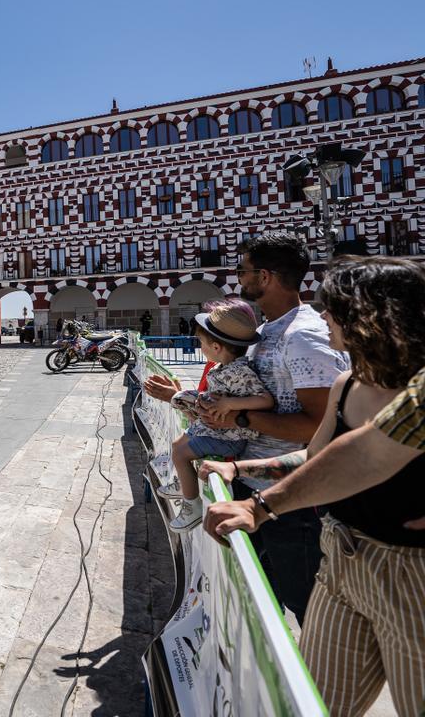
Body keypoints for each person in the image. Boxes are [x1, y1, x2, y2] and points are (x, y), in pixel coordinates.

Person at [203, 256, 425, 716]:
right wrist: (243, 470)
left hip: (411, 575)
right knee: (311, 703)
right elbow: (316, 460)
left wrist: (261, 506)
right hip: (342, 559)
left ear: (370, 317)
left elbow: (366, 454)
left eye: (333, 307)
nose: (323, 315)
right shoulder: (347, 384)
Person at [147, 231, 347, 624]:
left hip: (295, 501)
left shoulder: (303, 336)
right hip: (254, 489)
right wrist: (183, 399)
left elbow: (317, 427)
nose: (239, 278)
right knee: (263, 599)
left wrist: (237, 416)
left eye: (243, 270)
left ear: (266, 277)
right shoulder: (264, 334)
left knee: (308, 607)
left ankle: (318, 683)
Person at [155, 300, 274, 532]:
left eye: (202, 342)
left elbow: (265, 400)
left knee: (180, 453)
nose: (200, 346)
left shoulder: (239, 371)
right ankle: (185, 485)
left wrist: (231, 403)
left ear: (217, 347)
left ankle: (192, 505)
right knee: (179, 444)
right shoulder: (223, 368)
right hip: (218, 431)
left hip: (228, 438)